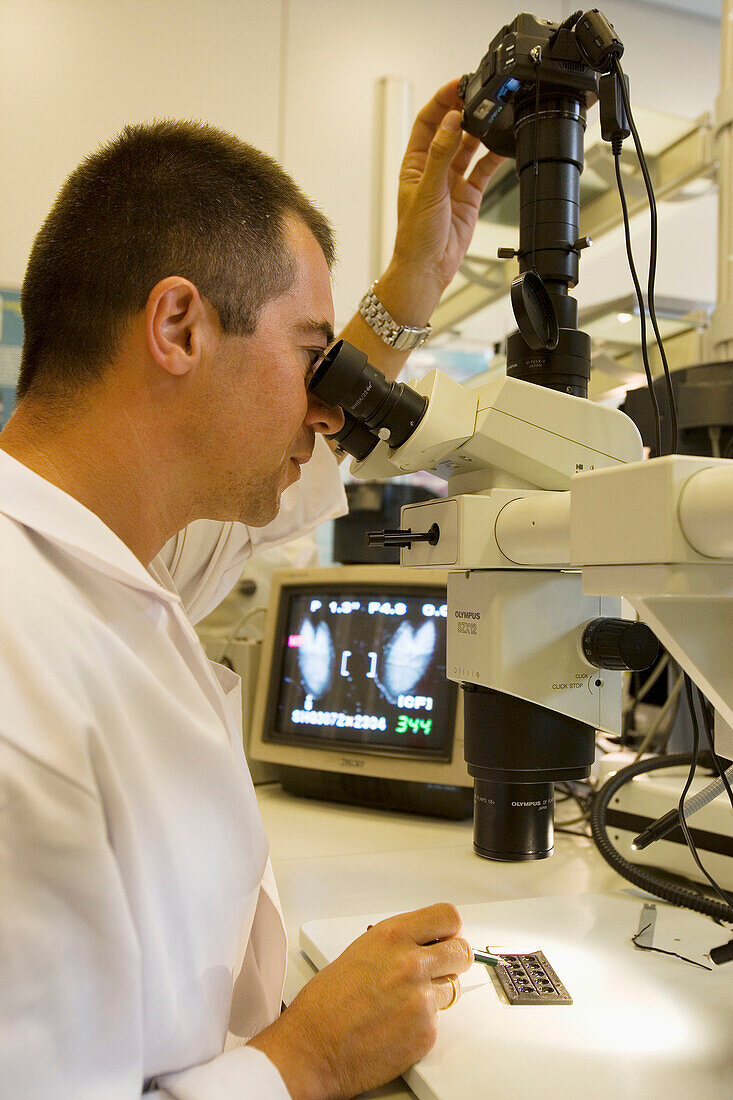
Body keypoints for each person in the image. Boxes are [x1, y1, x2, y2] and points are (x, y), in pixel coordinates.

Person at [0, 82, 502, 1099]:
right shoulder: (20, 680)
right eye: (310, 354)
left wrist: (411, 278)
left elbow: (287, 491)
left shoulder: (109, 559)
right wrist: (305, 1059)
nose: (327, 411)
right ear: (179, 325)